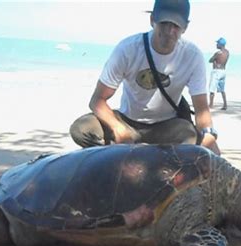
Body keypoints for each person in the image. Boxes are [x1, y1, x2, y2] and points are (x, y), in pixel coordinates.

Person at [70, 0, 220, 155]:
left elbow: (202, 109)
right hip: (128, 122)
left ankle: (151, 165)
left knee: (192, 138)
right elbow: (97, 100)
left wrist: (209, 136)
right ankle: (115, 163)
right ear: (152, 20)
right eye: (164, 23)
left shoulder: (192, 56)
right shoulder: (128, 49)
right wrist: (117, 127)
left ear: (185, 27)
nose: (169, 31)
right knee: (81, 129)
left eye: (176, 26)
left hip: (167, 127)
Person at [208, 37, 229, 110]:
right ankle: (225, 104)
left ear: (220, 44)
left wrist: (214, 61)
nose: (216, 45)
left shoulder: (218, 53)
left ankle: (210, 105)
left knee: (212, 89)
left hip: (217, 71)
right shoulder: (227, 52)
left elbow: (210, 60)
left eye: (217, 43)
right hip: (223, 71)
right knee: (222, 89)